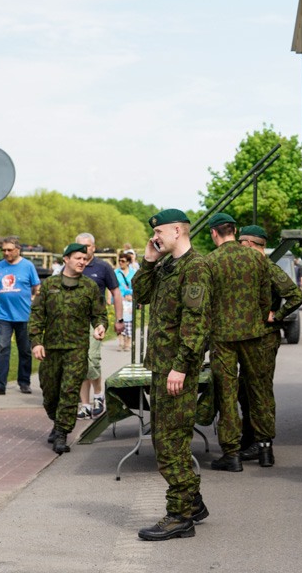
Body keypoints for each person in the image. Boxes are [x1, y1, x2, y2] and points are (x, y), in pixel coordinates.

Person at [131, 209, 211, 541]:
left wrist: (180, 366)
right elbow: (140, 295)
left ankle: (179, 516)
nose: (155, 237)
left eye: (160, 232)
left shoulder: (195, 268)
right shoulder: (167, 266)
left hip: (176, 369)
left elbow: (196, 323)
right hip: (162, 366)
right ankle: (192, 504)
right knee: (167, 439)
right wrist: (148, 261)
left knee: (169, 443)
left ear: (177, 230)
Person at [202, 213, 271, 472]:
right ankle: (265, 449)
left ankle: (231, 455)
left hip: (223, 339)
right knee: (259, 391)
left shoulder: (209, 262)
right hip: (255, 335)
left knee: (227, 395)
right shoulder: (257, 258)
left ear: (214, 233)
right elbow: (266, 300)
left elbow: (204, 306)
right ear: (234, 230)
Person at [235, 224, 302, 466]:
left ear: (251, 245)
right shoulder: (249, 269)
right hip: (249, 339)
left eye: (241, 244)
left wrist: (277, 315)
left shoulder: (266, 267)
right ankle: (250, 438)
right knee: (245, 390)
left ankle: (264, 447)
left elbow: (296, 295)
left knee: (260, 392)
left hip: (264, 339)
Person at [30, 243, 107, 455]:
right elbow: (37, 315)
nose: (82, 262)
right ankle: (57, 422)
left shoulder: (89, 287)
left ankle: (62, 433)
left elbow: (100, 314)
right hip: (51, 349)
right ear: (66, 259)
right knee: (50, 393)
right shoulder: (49, 285)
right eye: (78, 258)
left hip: (76, 349)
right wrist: (36, 342)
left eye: (85, 259)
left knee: (69, 391)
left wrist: (100, 326)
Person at [76, 233, 126, 419]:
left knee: (91, 360)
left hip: (95, 322)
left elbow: (116, 292)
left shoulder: (103, 267)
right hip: (75, 323)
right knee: (80, 362)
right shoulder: (72, 266)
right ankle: (85, 404)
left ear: (93, 247)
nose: (84, 250)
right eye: (80, 246)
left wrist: (119, 319)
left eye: (87, 246)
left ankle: (98, 395)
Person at [0, 236, 41, 395]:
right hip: (3, 316)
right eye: (4, 250)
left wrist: (37, 308)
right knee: (3, 348)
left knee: (25, 350)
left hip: (24, 316)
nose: (6, 253)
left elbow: (38, 288)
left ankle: (24, 382)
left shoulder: (28, 266)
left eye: (9, 250)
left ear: (18, 250)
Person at [115, 251, 135, 351]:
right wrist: (110, 298)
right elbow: (112, 286)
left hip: (130, 300)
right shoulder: (116, 272)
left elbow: (137, 287)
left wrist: (136, 300)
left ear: (127, 262)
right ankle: (120, 343)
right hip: (119, 300)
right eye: (119, 261)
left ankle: (128, 343)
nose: (120, 263)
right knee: (119, 321)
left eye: (122, 261)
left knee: (129, 323)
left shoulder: (133, 272)